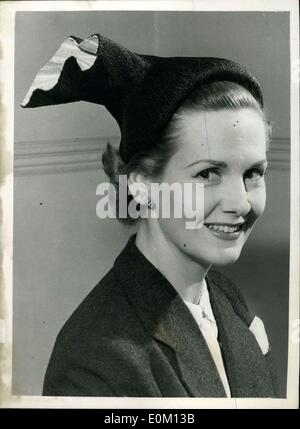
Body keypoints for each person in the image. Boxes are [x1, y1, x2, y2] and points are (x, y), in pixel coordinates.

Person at [22, 33, 277, 397]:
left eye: (252, 173)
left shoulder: (223, 296)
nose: (241, 203)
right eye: (207, 174)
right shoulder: (94, 361)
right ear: (142, 185)